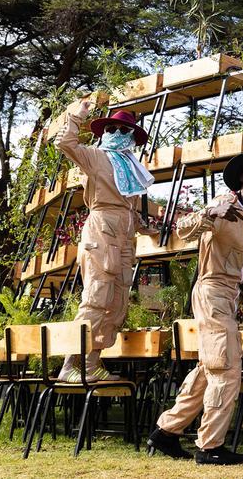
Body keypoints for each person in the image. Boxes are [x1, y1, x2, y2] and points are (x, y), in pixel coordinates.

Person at [148, 146, 243, 465]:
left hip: (229, 294)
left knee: (208, 366)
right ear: (242, 177)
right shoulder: (224, 202)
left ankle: (167, 432)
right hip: (211, 288)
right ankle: (210, 446)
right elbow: (183, 231)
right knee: (226, 368)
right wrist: (211, 214)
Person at [53, 96, 156, 383]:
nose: (118, 134)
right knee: (96, 297)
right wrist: (76, 116)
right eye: (112, 129)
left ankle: (91, 363)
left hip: (124, 234)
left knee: (117, 300)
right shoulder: (96, 157)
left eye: (126, 131)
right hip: (101, 228)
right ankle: (69, 364)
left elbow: (131, 208)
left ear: (133, 138)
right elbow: (66, 144)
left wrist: (144, 226)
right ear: (104, 132)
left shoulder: (133, 168)